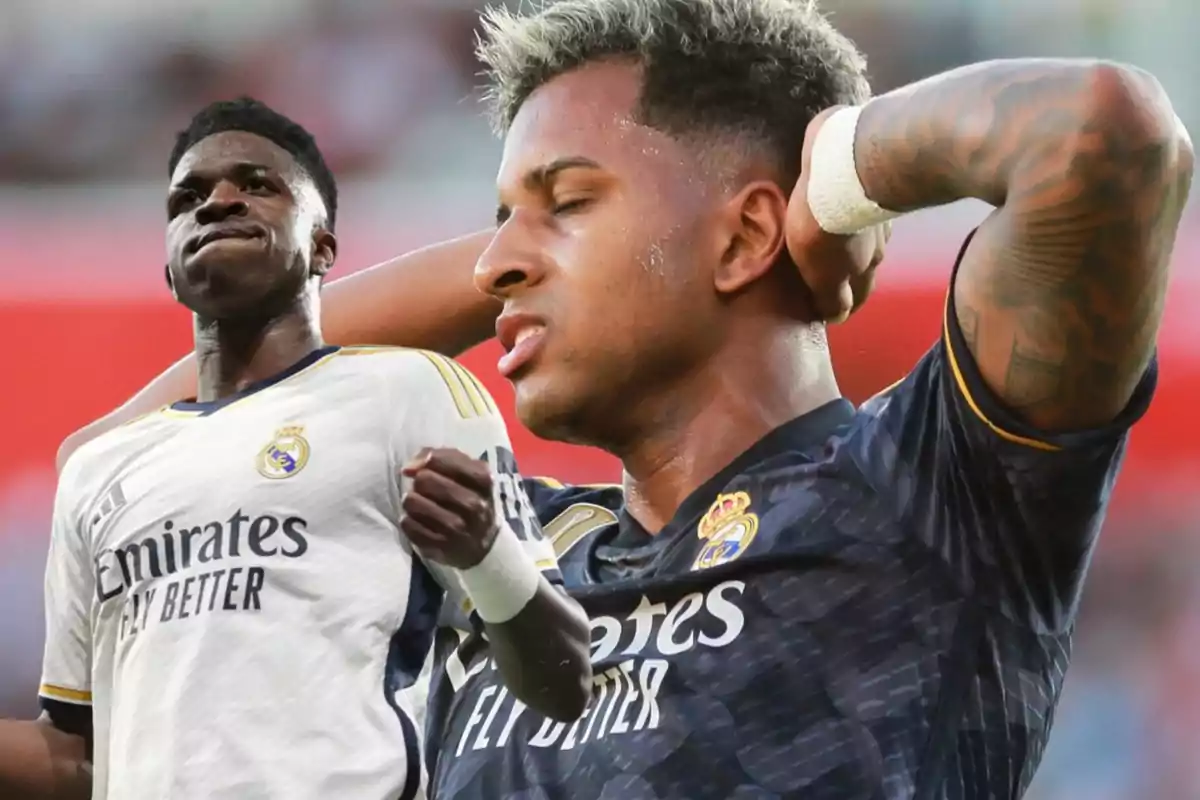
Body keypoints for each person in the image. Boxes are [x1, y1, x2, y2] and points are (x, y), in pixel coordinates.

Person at [56, 1, 1194, 798]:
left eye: (566, 200)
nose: (499, 261)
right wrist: (528, 247)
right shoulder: (503, 547)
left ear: (747, 231)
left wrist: (836, 176)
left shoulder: (921, 489)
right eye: (502, 215)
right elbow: (143, 457)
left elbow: (1101, 134)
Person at [0, 97, 591, 800]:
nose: (217, 201)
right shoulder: (98, 472)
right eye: (188, 197)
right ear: (168, 267)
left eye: (257, 185)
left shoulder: (411, 390)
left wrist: (486, 554)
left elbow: (565, 680)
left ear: (324, 245)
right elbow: (75, 759)